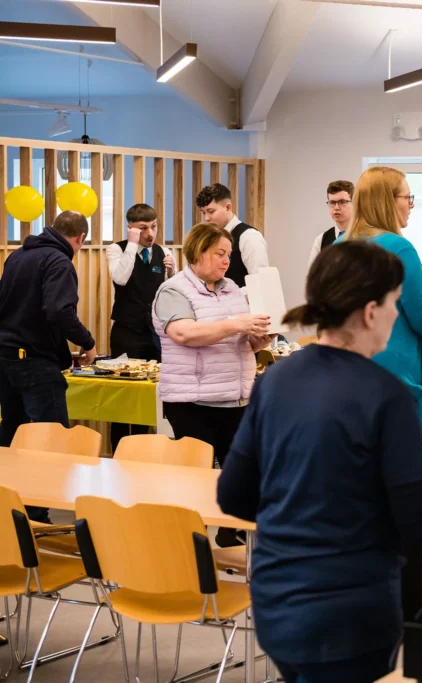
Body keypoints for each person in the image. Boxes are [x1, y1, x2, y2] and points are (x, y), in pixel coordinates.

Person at [218, 241, 422, 683]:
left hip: (276, 599)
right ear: (368, 311)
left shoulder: (276, 378)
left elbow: (233, 494)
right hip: (352, 612)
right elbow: (420, 524)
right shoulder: (386, 395)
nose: (398, 318)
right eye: (394, 304)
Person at [342, 165, 422, 619]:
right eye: (407, 197)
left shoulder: (341, 245)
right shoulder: (398, 246)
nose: (410, 205)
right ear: (387, 201)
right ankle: (411, 606)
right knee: (402, 502)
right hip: (394, 385)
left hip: (349, 382)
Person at [152, 222, 271, 547]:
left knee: (240, 476)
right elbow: (184, 334)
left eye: (229, 255)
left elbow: (242, 342)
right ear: (198, 252)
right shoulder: (174, 290)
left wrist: (257, 339)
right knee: (198, 479)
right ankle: (190, 543)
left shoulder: (232, 288)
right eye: (219, 253)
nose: (226, 261)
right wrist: (236, 324)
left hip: (236, 397)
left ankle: (230, 535)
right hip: (192, 402)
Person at [0, 211, 96, 523]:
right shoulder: (58, 262)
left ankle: (9, 513)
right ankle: (36, 517)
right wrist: (87, 342)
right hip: (34, 364)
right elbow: (58, 312)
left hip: (5, 358)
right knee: (50, 440)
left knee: (12, 436)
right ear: (80, 239)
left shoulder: (16, 258)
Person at [106, 203, 175, 451]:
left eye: (154, 226)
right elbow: (121, 278)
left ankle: (142, 453)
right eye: (143, 228)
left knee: (149, 397)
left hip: (153, 334)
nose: (150, 233)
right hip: (126, 332)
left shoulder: (163, 252)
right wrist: (132, 245)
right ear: (131, 229)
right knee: (124, 397)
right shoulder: (117, 249)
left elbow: (170, 293)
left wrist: (172, 272)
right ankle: (119, 452)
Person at [196, 183, 269, 288]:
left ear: (228, 207)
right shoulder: (210, 238)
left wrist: (232, 297)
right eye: (203, 213)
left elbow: (261, 282)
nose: (206, 218)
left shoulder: (249, 237)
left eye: (211, 211)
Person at [309, 179, 354, 268]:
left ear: (354, 203)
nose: (336, 207)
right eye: (332, 203)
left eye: (342, 202)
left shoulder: (366, 237)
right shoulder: (321, 240)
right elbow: (312, 277)